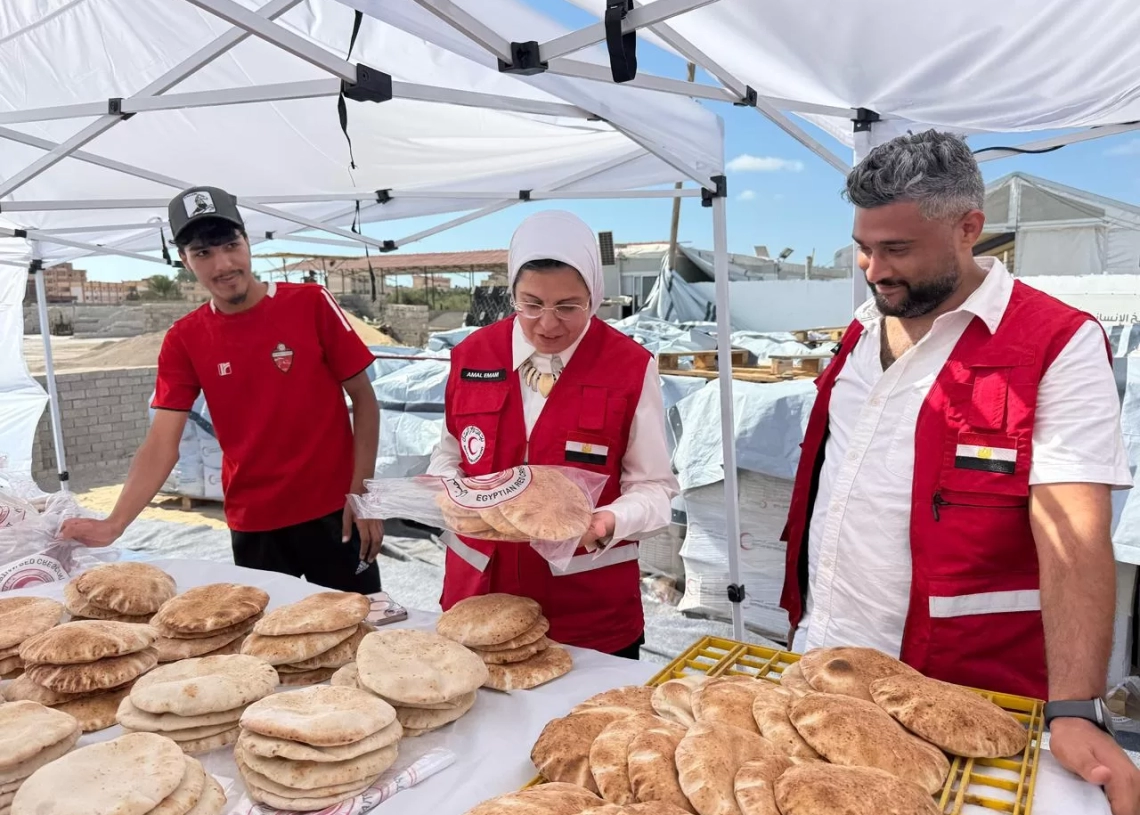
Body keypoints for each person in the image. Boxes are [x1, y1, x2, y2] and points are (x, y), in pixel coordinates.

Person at [780, 131, 1139, 814]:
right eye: (864, 246)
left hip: (955, 698)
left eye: (897, 249)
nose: (873, 268)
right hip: (823, 669)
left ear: (968, 228)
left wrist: (1074, 706)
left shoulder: (1055, 344)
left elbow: (1074, 541)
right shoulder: (860, 331)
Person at [61, 186, 383, 593]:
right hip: (255, 525)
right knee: (269, 648)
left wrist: (364, 495)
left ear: (248, 242)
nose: (223, 264)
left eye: (231, 245)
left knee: (363, 635)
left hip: (337, 514)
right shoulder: (184, 339)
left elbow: (365, 399)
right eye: (203, 253)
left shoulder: (311, 303)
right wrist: (114, 523)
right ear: (185, 261)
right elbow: (162, 443)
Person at [427, 210, 678, 658]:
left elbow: (655, 487)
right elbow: (449, 454)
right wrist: (449, 491)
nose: (547, 324)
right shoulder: (471, 354)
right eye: (530, 304)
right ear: (512, 294)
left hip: (586, 611)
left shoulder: (629, 366)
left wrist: (609, 522)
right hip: (479, 599)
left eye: (567, 307)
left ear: (595, 296)